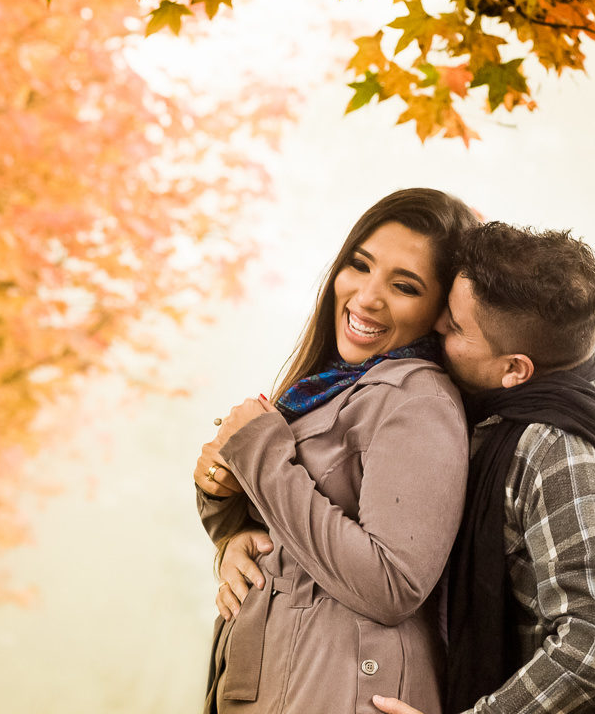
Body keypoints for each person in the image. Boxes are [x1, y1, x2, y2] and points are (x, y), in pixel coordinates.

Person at [222, 223, 595, 714]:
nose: (438, 326)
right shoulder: (496, 419)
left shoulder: (562, 452)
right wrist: (232, 528)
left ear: (515, 370)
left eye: (457, 327)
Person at [192, 188, 480, 713]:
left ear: (441, 311)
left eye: (404, 286)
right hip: (290, 679)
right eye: (359, 265)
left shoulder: (415, 399)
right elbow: (291, 529)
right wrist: (230, 521)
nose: (367, 297)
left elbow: (392, 583)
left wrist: (258, 452)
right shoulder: (331, 387)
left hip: (339, 690)